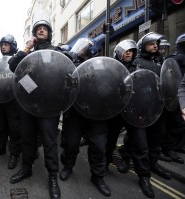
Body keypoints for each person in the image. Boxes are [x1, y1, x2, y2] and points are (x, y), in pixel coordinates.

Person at [8, 20, 61, 199]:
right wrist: (26, 48)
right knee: (28, 138)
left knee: (49, 141)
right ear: (33, 34)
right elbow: (13, 65)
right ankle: (26, 168)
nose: (41, 30)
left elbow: (67, 72)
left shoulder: (56, 52)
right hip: (29, 103)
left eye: (44, 28)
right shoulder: (27, 53)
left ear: (49, 33)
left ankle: (53, 176)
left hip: (50, 104)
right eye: (38, 29)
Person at [59, 38, 114, 197]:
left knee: (98, 146)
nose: (81, 50)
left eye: (85, 47)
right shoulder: (71, 64)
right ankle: (68, 166)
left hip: (97, 113)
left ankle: (97, 177)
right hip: (76, 112)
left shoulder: (102, 65)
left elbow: (108, 86)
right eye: (81, 47)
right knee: (71, 143)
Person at [119, 32, 171, 180]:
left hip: (158, 108)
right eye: (151, 43)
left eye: (156, 43)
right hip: (140, 107)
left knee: (156, 139)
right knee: (138, 142)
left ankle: (153, 163)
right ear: (143, 46)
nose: (155, 46)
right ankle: (136, 168)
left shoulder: (162, 62)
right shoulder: (136, 63)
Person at [106, 39, 154, 198]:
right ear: (118, 52)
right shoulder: (112, 69)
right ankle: (102, 167)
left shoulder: (139, 69)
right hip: (116, 112)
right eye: (126, 50)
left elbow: (145, 90)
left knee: (141, 144)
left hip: (134, 111)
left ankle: (144, 177)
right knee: (109, 141)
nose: (129, 53)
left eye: (132, 51)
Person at [0, 35, 21, 170]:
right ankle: (1, 147)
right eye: (2, 44)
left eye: (6, 44)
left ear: (12, 46)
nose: (3, 46)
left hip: (14, 101)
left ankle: (14, 154)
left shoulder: (18, 61)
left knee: (14, 128)